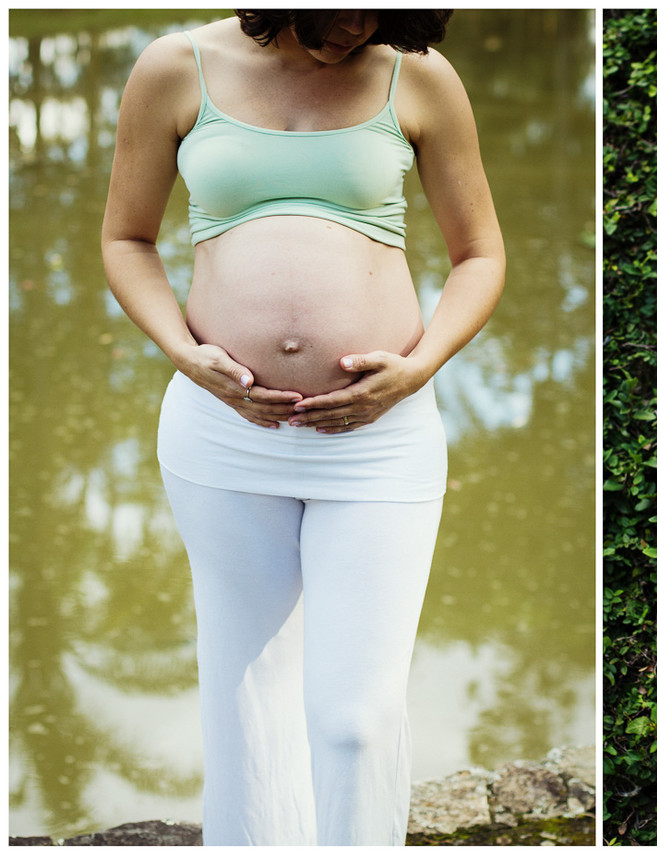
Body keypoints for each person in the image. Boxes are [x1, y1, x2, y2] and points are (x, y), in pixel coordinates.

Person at [100, 9, 504, 846]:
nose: (360, 28)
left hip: (380, 439)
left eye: (382, 12)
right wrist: (183, 351)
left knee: (356, 717)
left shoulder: (416, 76)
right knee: (244, 700)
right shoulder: (177, 67)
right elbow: (125, 238)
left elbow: (482, 256)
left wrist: (418, 367)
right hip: (222, 436)